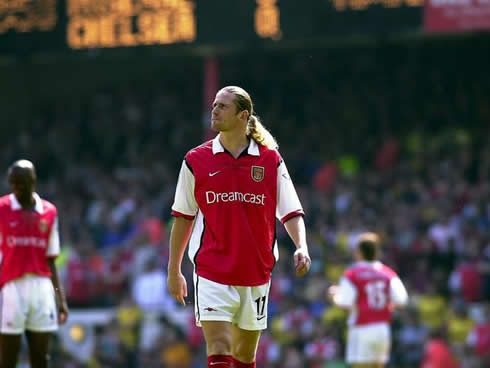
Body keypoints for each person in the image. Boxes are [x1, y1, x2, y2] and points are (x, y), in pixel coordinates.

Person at [167, 85, 311, 368]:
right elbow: (183, 218)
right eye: (214, 105)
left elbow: (291, 211)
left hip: (256, 272)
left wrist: (301, 246)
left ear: (243, 115)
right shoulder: (195, 160)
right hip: (212, 271)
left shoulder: (271, 160)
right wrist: (174, 270)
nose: (215, 110)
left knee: (245, 357)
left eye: (222, 106)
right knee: (219, 348)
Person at [0, 159, 69, 368]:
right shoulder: (2, 208)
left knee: (41, 358)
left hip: (42, 289)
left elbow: (51, 259)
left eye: (20, 183)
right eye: (12, 183)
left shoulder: (49, 212)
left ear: (33, 181)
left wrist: (60, 298)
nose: (15, 188)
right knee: (8, 359)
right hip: (12, 288)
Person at [329, 232, 408, 368]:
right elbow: (402, 301)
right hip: (382, 329)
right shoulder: (388, 273)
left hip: (362, 329)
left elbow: (344, 303)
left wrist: (334, 295)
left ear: (359, 252)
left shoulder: (352, 274)